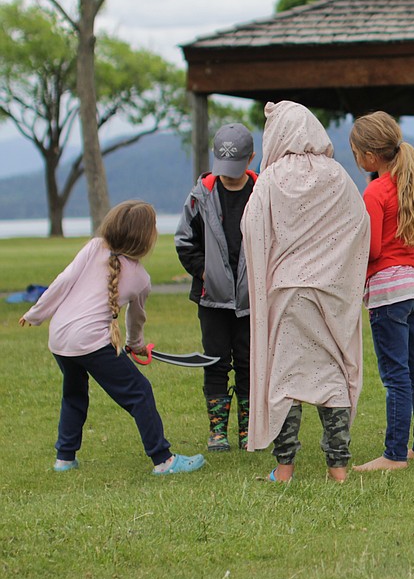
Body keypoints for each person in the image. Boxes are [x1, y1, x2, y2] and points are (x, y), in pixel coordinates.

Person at [20, 200, 206, 476]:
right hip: (89, 341)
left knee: (74, 395)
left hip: (60, 338)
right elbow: (136, 318)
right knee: (139, 393)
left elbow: (63, 280)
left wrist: (36, 314)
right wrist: (135, 343)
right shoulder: (141, 278)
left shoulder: (95, 246)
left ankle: (64, 459)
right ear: (146, 238)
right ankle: (163, 460)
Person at [244, 101, 370, 483]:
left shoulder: (271, 179)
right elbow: (359, 223)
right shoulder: (337, 176)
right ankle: (339, 468)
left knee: (285, 380)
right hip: (331, 292)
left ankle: (284, 469)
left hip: (286, 292)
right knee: (332, 376)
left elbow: (251, 229)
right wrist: (336, 266)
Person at [346, 112, 414, 472]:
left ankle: (394, 454)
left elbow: (371, 250)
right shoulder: (409, 188)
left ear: (369, 155)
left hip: (387, 294)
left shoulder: (374, 190)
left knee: (395, 376)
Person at [175, 123, 257, 452]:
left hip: (253, 300)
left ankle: (249, 431)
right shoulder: (201, 196)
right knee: (215, 362)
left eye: (236, 169)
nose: (229, 176)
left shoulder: (263, 192)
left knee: (251, 363)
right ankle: (217, 432)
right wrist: (204, 273)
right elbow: (185, 243)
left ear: (251, 159)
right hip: (212, 301)